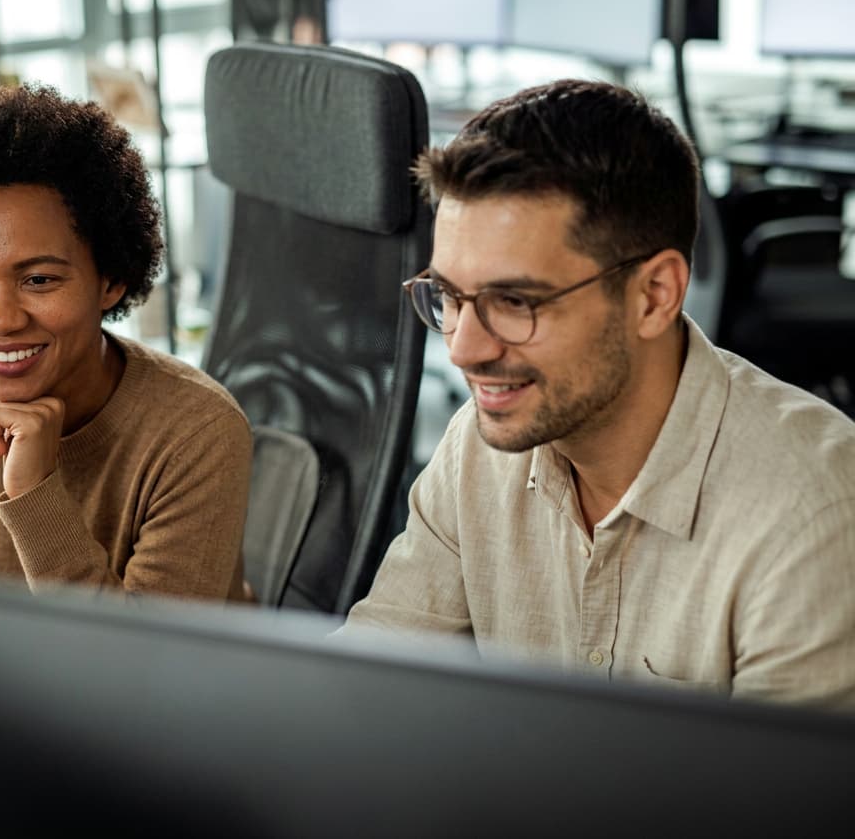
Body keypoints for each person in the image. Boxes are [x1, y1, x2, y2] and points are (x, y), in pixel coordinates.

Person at [343, 79, 855, 707]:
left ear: (654, 296)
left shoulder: (813, 518)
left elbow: (788, 802)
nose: (462, 349)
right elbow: (365, 691)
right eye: (449, 297)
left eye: (515, 301)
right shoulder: (478, 443)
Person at [0, 85, 252, 602]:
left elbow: (147, 672)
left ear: (109, 280)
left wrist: (33, 494)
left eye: (39, 280)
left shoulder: (197, 431)